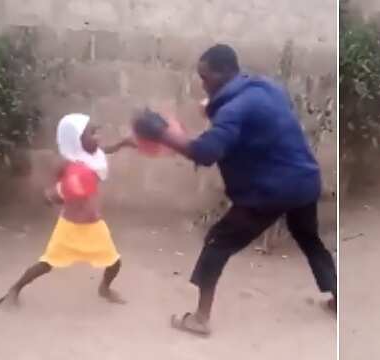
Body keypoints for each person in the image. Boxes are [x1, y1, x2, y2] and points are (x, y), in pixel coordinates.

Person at [133, 44, 337, 336]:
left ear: (224, 72)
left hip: (271, 191)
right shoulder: (264, 87)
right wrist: (214, 109)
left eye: (205, 78)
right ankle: (337, 299)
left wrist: (162, 133)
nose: (203, 84)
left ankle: (200, 319)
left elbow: (205, 152)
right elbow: (256, 122)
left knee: (218, 241)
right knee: (309, 239)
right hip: (304, 181)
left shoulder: (234, 109)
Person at [0, 113, 135, 308]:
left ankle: (104, 288)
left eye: (98, 132)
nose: (98, 137)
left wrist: (122, 144)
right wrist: (55, 193)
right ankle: (14, 290)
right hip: (69, 226)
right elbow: (53, 188)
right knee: (46, 263)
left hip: (94, 224)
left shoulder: (93, 155)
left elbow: (105, 149)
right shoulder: (68, 162)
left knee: (114, 262)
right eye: (92, 133)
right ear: (77, 140)